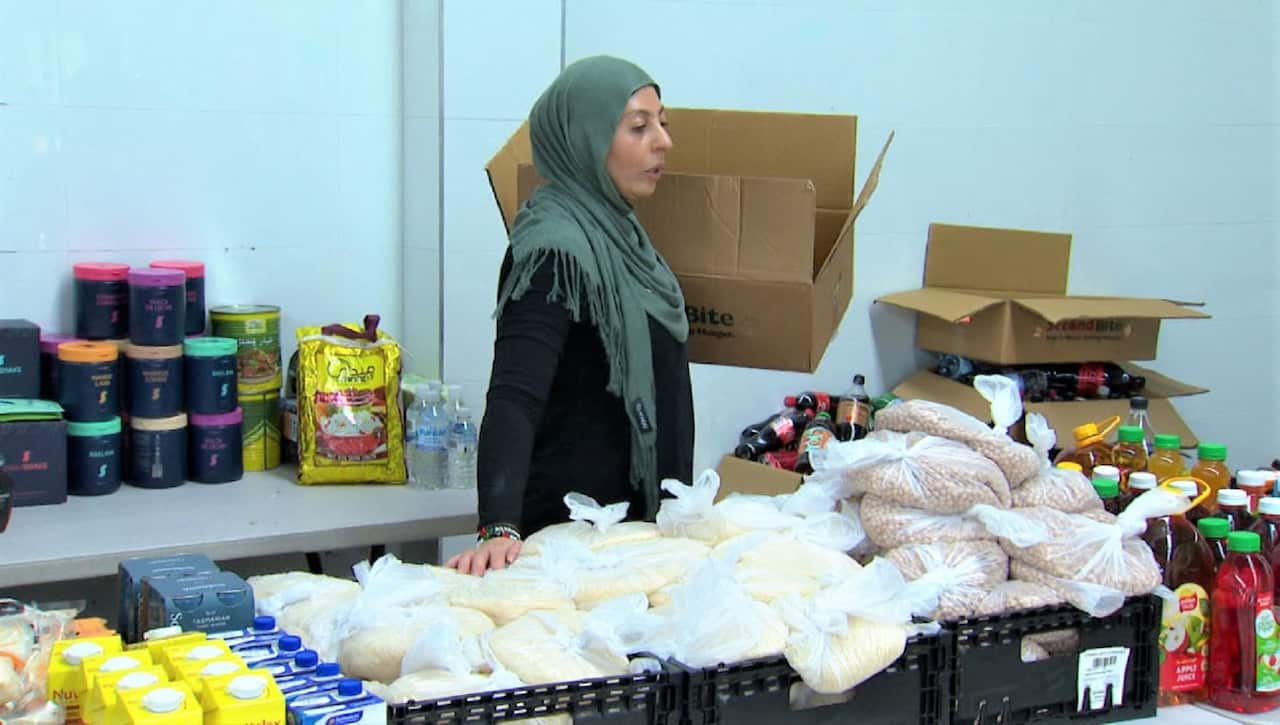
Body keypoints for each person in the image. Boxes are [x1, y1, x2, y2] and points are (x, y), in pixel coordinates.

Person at [446, 56, 694, 576]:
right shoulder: (554, 251)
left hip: (633, 542)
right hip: (568, 547)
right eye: (639, 127)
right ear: (586, 136)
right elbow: (516, 395)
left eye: (662, 123)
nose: (663, 142)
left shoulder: (626, 241)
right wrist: (498, 525)